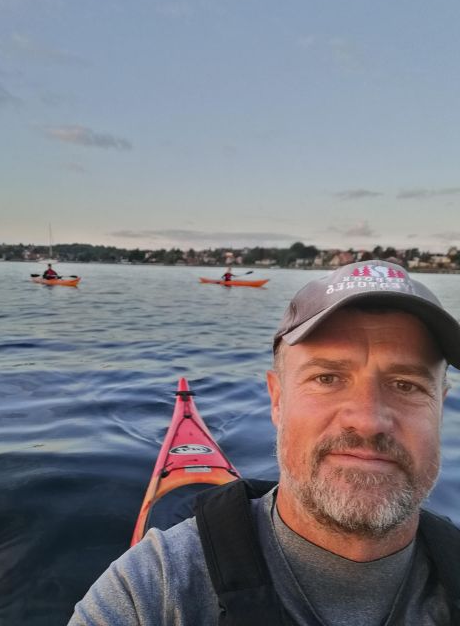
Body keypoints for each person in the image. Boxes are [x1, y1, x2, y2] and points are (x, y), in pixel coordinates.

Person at [68, 260, 460, 625]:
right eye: (327, 378)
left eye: (406, 385)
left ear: (439, 408)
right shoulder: (152, 591)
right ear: (277, 400)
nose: (369, 419)